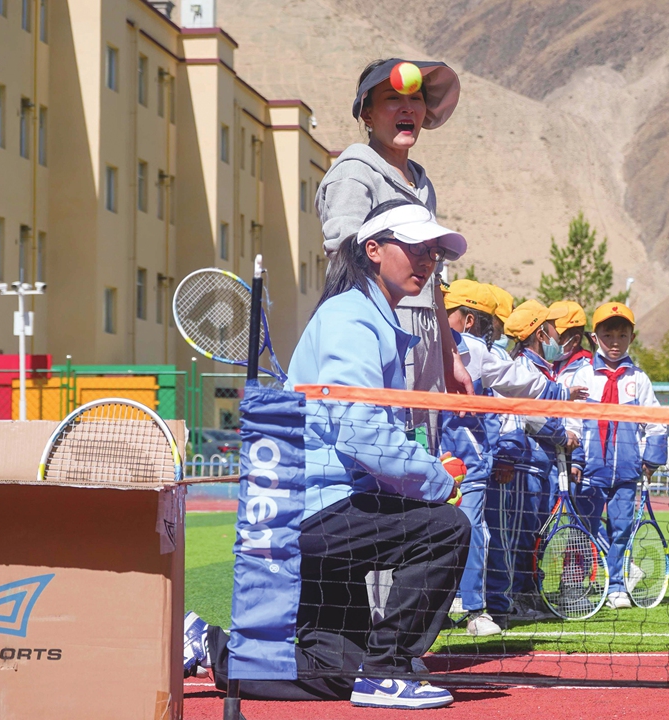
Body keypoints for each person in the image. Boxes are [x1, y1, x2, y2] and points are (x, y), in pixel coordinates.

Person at [184, 200, 472, 709]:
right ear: (374, 250)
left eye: (433, 251)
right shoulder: (352, 319)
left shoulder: (367, 317)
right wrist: (436, 481)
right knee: (444, 529)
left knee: (337, 669)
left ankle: (212, 646)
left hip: (323, 511)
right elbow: (361, 434)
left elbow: (362, 432)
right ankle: (388, 671)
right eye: (416, 246)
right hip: (315, 511)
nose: (427, 259)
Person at [317, 57, 471, 452]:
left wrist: (448, 354)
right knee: (383, 450)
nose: (408, 108)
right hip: (380, 331)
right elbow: (345, 265)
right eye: (392, 99)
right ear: (366, 113)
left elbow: (432, 277)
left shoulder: (422, 183)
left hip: (427, 339)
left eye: (416, 98)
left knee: (423, 448)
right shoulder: (354, 173)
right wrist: (372, 339)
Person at [440, 281, 583, 637]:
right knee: (431, 538)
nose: (496, 333)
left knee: (479, 533)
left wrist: (560, 391)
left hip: (470, 465)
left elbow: (515, 383)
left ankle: (476, 610)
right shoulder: (415, 346)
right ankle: (435, 608)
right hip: (425, 462)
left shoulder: (477, 352)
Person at [568, 302, 668, 609]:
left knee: (622, 529)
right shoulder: (582, 376)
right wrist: (574, 460)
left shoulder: (639, 380)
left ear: (632, 339)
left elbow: (656, 423)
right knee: (583, 528)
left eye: (622, 335)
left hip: (626, 473)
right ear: (594, 336)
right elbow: (571, 421)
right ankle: (576, 585)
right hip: (589, 472)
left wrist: (650, 462)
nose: (615, 341)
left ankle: (616, 587)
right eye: (608, 334)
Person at [492, 301, 580, 616]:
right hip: (525, 468)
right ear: (541, 333)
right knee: (522, 536)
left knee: (535, 535)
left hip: (545, 467)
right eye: (553, 329)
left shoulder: (545, 369)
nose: (559, 337)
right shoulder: (524, 368)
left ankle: (529, 593)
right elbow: (528, 415)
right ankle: (516, 597)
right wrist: (561, 434)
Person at [550, 300, 594, 377]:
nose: (551, 342)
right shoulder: (554, 365)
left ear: (575, 340)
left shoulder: (587, 371)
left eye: (558, 338)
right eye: (549, 336)